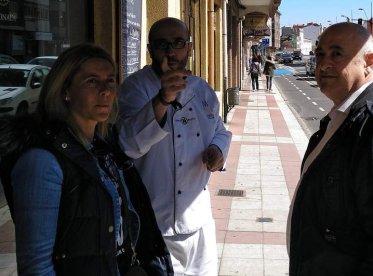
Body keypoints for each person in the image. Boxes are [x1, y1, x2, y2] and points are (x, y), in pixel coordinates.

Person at [0, 43, 173, 276]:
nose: (105, 90)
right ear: (65, 90)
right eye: (91, 81)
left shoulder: (104, 150)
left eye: (110, 80)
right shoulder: (42, 161)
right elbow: (36, 266)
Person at [288, 22, 373, 275]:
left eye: (337, 54)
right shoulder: (340, 118)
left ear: (369, 62)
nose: (323, 64)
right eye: (320, 53)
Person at [116, 18, 232, 276]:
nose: (171, 51)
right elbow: (129, 145)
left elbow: (220, 131)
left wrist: (218, 150)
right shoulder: (135, 88)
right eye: (162, 44)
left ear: (189, 48)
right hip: (155, 227)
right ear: (149, 50)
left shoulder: (203, 90)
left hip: (199, 223)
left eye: (178, 43)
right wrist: (163, 98)